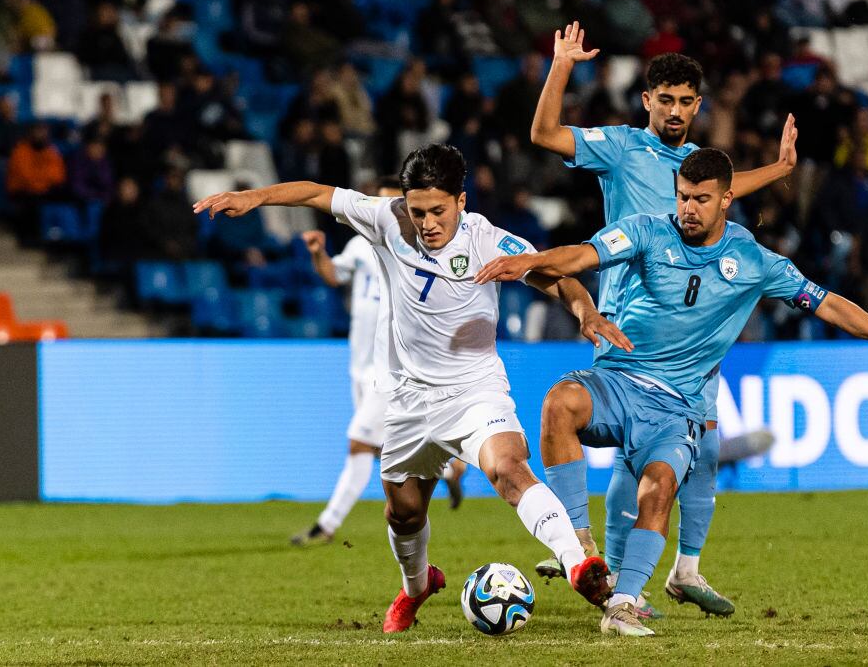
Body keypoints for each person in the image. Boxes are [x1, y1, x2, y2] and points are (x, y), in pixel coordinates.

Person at [475, 148, 868, 636]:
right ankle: (577, 543)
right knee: (558, 402)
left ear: (726, 200)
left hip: (677, 407)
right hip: (619, 379)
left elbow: (826, 304)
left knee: (658, 489)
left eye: (700, 199)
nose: (687, 209)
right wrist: (530, 261)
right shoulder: (648, 230)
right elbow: (581, 255)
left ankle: (624, 605)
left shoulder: (753, 261)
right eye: (681, 197)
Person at [193, 144, 630, 633]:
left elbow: (555, 278)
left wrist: (585, 311)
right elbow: (317, 193)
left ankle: (577, 564)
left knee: (506, 468)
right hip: (406, 399)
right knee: (403, 513)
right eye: (418, 211)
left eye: (438, 211)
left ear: (461, 201)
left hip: (473, 391)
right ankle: (417, 586)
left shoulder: (487, 239)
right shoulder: (385, 219)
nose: (426, 222)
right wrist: (254, 197)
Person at [528, 21, 797, 616]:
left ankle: (683, 570)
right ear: (647, 100)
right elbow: (544, 133)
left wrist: (777, 171)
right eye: (665, 100)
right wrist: (562, 65)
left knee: (701, 441)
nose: (675, 111)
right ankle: (599, 565)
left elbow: (723, 189)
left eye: (685, 101)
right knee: (641, 453)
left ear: (697, 105)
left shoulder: (696, 169)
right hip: (631, 321)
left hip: (692, 322)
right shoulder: (621, 148)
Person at [291, 178, 465, 548]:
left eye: (393, 205)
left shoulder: (414, 250)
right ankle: (449, 467)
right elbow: (334, 276)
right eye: (377, 204)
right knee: (381, 447)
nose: (383, 213)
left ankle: (328, 524)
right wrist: (318, 254)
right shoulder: (359, 243)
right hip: (359, 362)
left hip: (390, 367)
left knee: (358, 443)